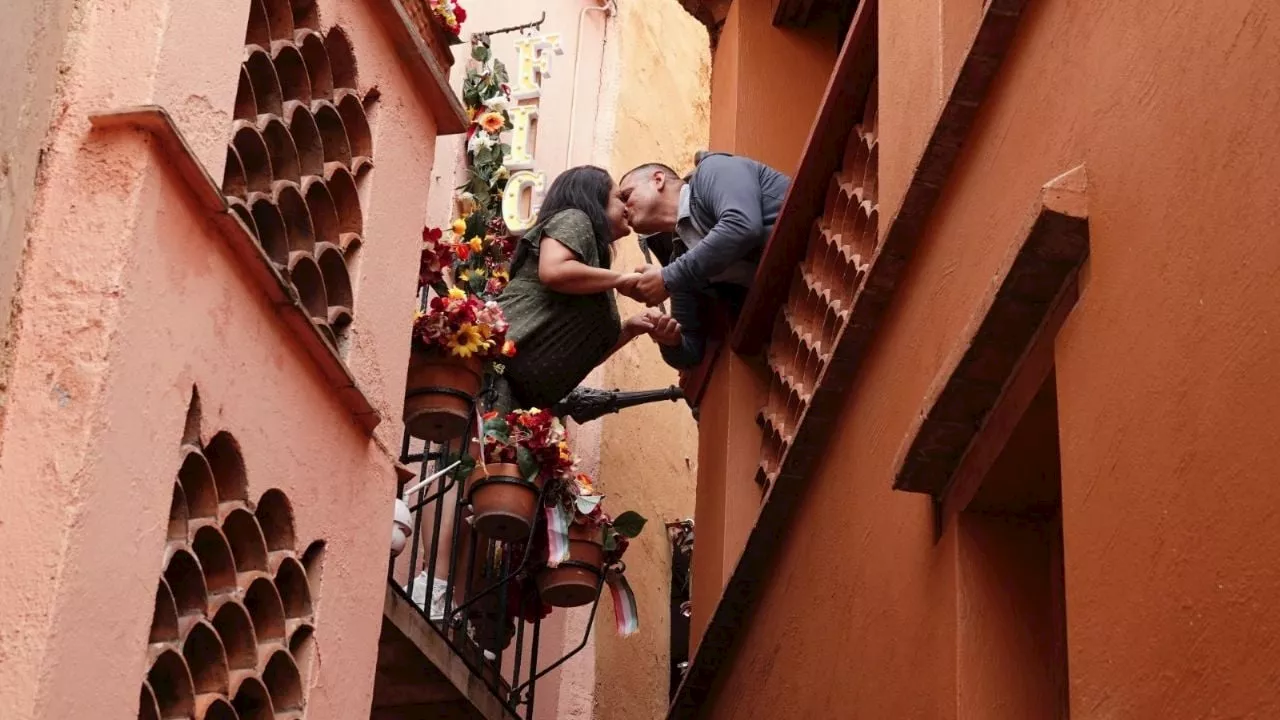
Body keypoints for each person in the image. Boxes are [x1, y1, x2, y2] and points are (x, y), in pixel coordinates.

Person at [494, 165, 681, 411]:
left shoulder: (594, 270)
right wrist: (622, 279)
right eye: (620, 198)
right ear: (594, 198)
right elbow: (553, 271)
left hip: (518, 400)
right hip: (494, 373)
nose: (627, 206)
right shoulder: (574, 218)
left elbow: (585, 355)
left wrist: (630, 329)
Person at [615, 152, 791, 369]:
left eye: (626, 195)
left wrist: (667, 278)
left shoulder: (712, 170)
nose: (622, 209)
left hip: (828, 244)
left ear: (658, 180)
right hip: (803, 303)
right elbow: (690, 354)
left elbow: (743, 226)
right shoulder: (680, 261)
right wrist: (669, 341)